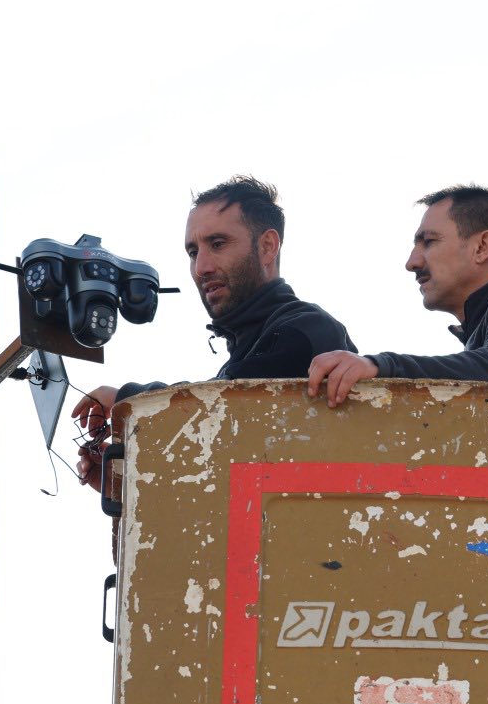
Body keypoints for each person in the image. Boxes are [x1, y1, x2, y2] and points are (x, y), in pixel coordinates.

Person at [73, 176, 355, 486]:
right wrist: (122, 482)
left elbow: (220, 410)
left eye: (218, 244)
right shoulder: (250, 345)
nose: (201, 268)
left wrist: (127, 400)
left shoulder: (304, 330)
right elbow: (227, 471)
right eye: (193, 252)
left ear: (267, 246)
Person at [307, 185, 488, 407]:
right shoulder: (486, 329)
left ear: (482, 247)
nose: (412, 262)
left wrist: (382, 366)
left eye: (429, 241)